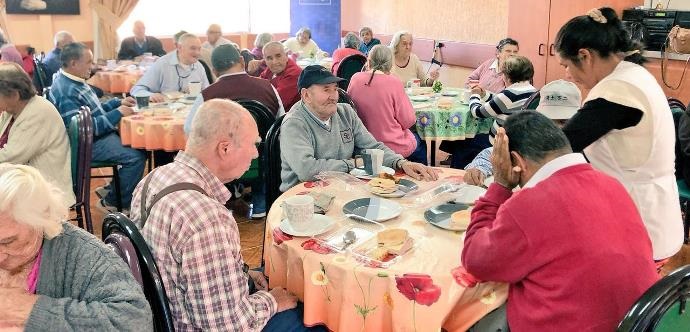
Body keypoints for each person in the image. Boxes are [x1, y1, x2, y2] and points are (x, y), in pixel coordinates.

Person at [130, 99, 324, 331]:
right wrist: (273, 301)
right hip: (194, 323)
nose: (255, 154)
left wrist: (240, 275)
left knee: (270, 277)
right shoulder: (207, 219)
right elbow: (227, 326)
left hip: (162, 314)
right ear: (225, 148)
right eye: (253, 144)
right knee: (317, 315)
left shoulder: (153, 178)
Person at [462, 112, 659, 331]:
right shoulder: (612, 184)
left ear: (516, 161)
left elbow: (475, 261)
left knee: (473, 318)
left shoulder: (529, 204)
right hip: (642, 321)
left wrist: (499, 184)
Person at [557, 7, 684, 264]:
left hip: (637, 222)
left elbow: (560, 145)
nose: (567, 75)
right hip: (654, 215)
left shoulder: (617, 92)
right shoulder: (634, 75)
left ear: (585, 55)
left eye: (567, 65)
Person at [0, 163, 152, 330]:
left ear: (41, 222)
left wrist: (30, 312)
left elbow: (135, 321)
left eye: (7, 242)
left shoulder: (85, 256)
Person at [280, 65, 439, 191]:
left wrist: (401, 163)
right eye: (326, 89)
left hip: (342, 189)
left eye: (335, 88)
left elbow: (372, 147)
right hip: (304, 199)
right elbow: (307, 170)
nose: (334, 95)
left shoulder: (345, 112)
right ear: (306, 95)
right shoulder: (294, 123)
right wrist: (353, 164)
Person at [49, 42, 145, 213]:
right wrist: (118, 113)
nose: (92, 67)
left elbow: (93, 110)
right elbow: (82, 130)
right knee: (136, 157)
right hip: (86, 145)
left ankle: (112, 189)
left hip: (94, 137)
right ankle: (112, 201)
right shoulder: (66, 90)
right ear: (73, 63)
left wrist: (118, 103)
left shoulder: (75, 80)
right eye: (89, 62)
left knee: (137, 146)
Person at [464, 79, 580, 186]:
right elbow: (495, 153)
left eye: (563, 121)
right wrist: (478, 168)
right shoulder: (532, 137)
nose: (555, 128)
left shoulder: (588, 148)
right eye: (548, 120)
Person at [0, 63, 74, 205]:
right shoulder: (11, 110)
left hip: (46, 188)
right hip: (24, 178)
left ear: (15, 95)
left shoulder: (37, 113)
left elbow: (11, 157)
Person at [347, 45, 426, 164]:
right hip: (391, 146)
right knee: (420, 141)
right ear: (390, 63)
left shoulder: (355, 78)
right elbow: (409, 121)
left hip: (360, 145)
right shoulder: (393, 82)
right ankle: (420, 175)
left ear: (368, 61)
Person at [469, 55, 536, 143]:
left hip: (499, 144)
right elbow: (501, 103)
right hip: (519, 140)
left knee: (466, 140)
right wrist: (485, 95)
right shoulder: (533, 91)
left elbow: (477, 112)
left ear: (507, 77)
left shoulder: (509, 95)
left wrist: (475, 95)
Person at [130, 33, 209, 103]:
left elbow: (207, 92)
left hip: (191, 112)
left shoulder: (199, 67)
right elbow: (136, 89)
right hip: (165, 112)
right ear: (179, 47)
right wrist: (150, 95)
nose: (197, 53)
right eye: (193, 48)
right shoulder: (162, 64)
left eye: (199, 49)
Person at [257, 41, 303, 111]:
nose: (274, 62)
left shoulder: (294, 73)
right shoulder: (270, 69)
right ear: (265, 60)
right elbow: (258, 84)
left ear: (286, 56)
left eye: (278, 56)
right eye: (269, 58)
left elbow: (276, 102)